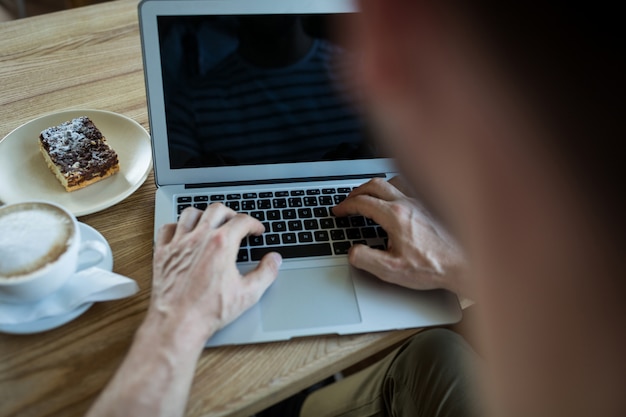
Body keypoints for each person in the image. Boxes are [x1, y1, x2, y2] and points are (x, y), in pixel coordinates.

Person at [87, 1, 625, 416]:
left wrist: (175, 321)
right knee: (430, 352)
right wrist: (465, 267)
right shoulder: (195, 100)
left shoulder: (351, 74)